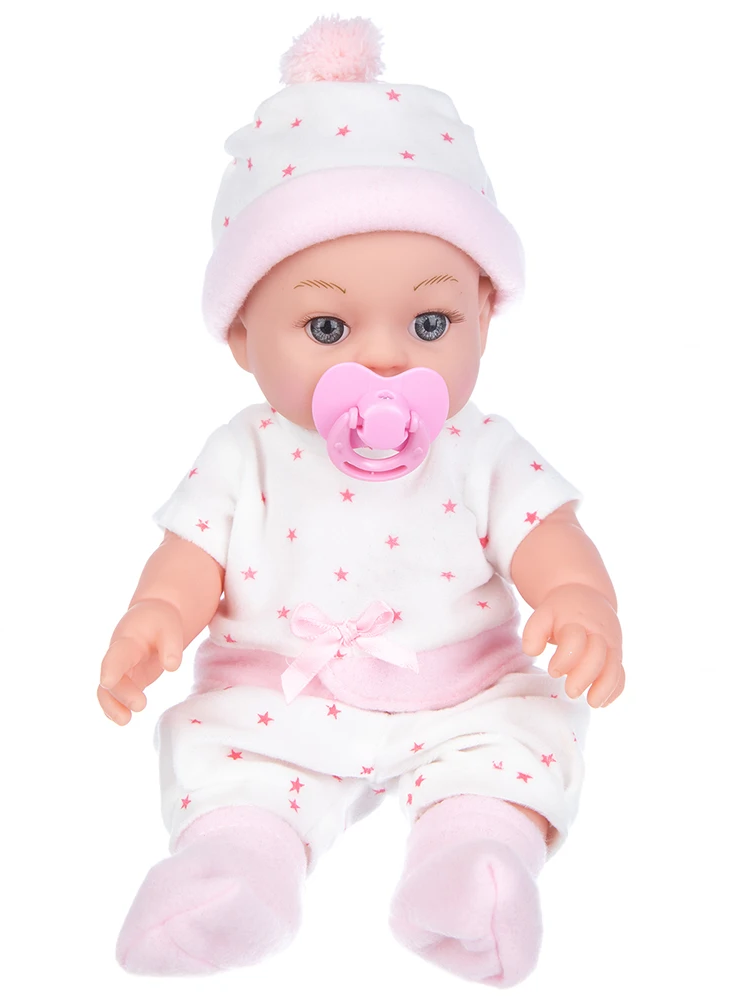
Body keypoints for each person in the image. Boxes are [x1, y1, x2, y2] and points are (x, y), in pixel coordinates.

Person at [98, 14, 624, 988]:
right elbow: (191, 555)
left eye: (429, 322)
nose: (384, 359)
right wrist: (156, 615)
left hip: (461, 685)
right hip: (279, 689)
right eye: (328, 326)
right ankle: (236, 870)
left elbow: (546, 531)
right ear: (242, 335)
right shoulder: (245, 451)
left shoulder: (478, 445)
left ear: (483, 314)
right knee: (237, 761)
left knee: (510, 742)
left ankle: (472, 860)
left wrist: (579, 600)